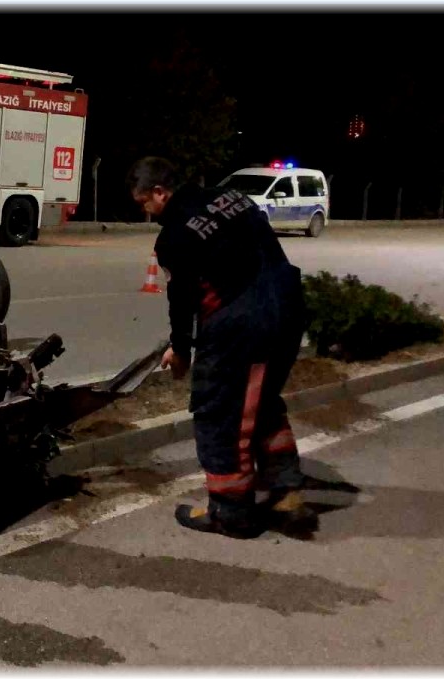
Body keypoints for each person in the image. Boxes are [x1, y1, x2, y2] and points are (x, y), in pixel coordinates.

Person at [127, 156, 317, 539]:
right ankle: (286, 494)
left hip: (241, 322)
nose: (145, 212)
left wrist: (180, 349)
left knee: (219, 411)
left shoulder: (174, 236)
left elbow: (182, 298)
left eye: (144, 202)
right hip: (288, 307)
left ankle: (231, 511)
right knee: (260, 400)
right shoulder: (233, 197)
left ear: (160, 192)